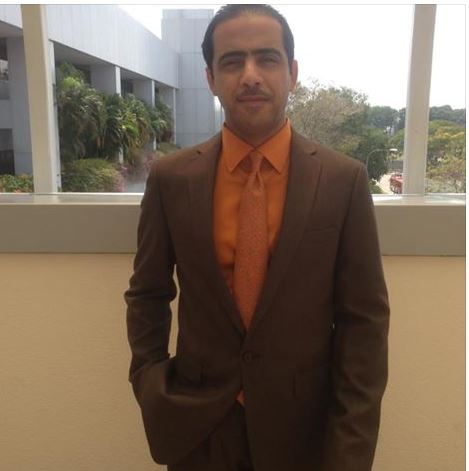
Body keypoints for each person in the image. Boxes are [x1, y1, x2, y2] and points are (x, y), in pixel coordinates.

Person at [125, 4, 390, 471]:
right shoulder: (172, 179)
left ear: (292, 73)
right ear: (211, 78)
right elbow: (148, 294)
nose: (250, 76)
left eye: (267, 59)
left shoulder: (343, 180)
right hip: (198, 432)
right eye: (232, 62)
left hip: (306, 434)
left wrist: (351, 449)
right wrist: (150, 382)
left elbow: (363, 323)